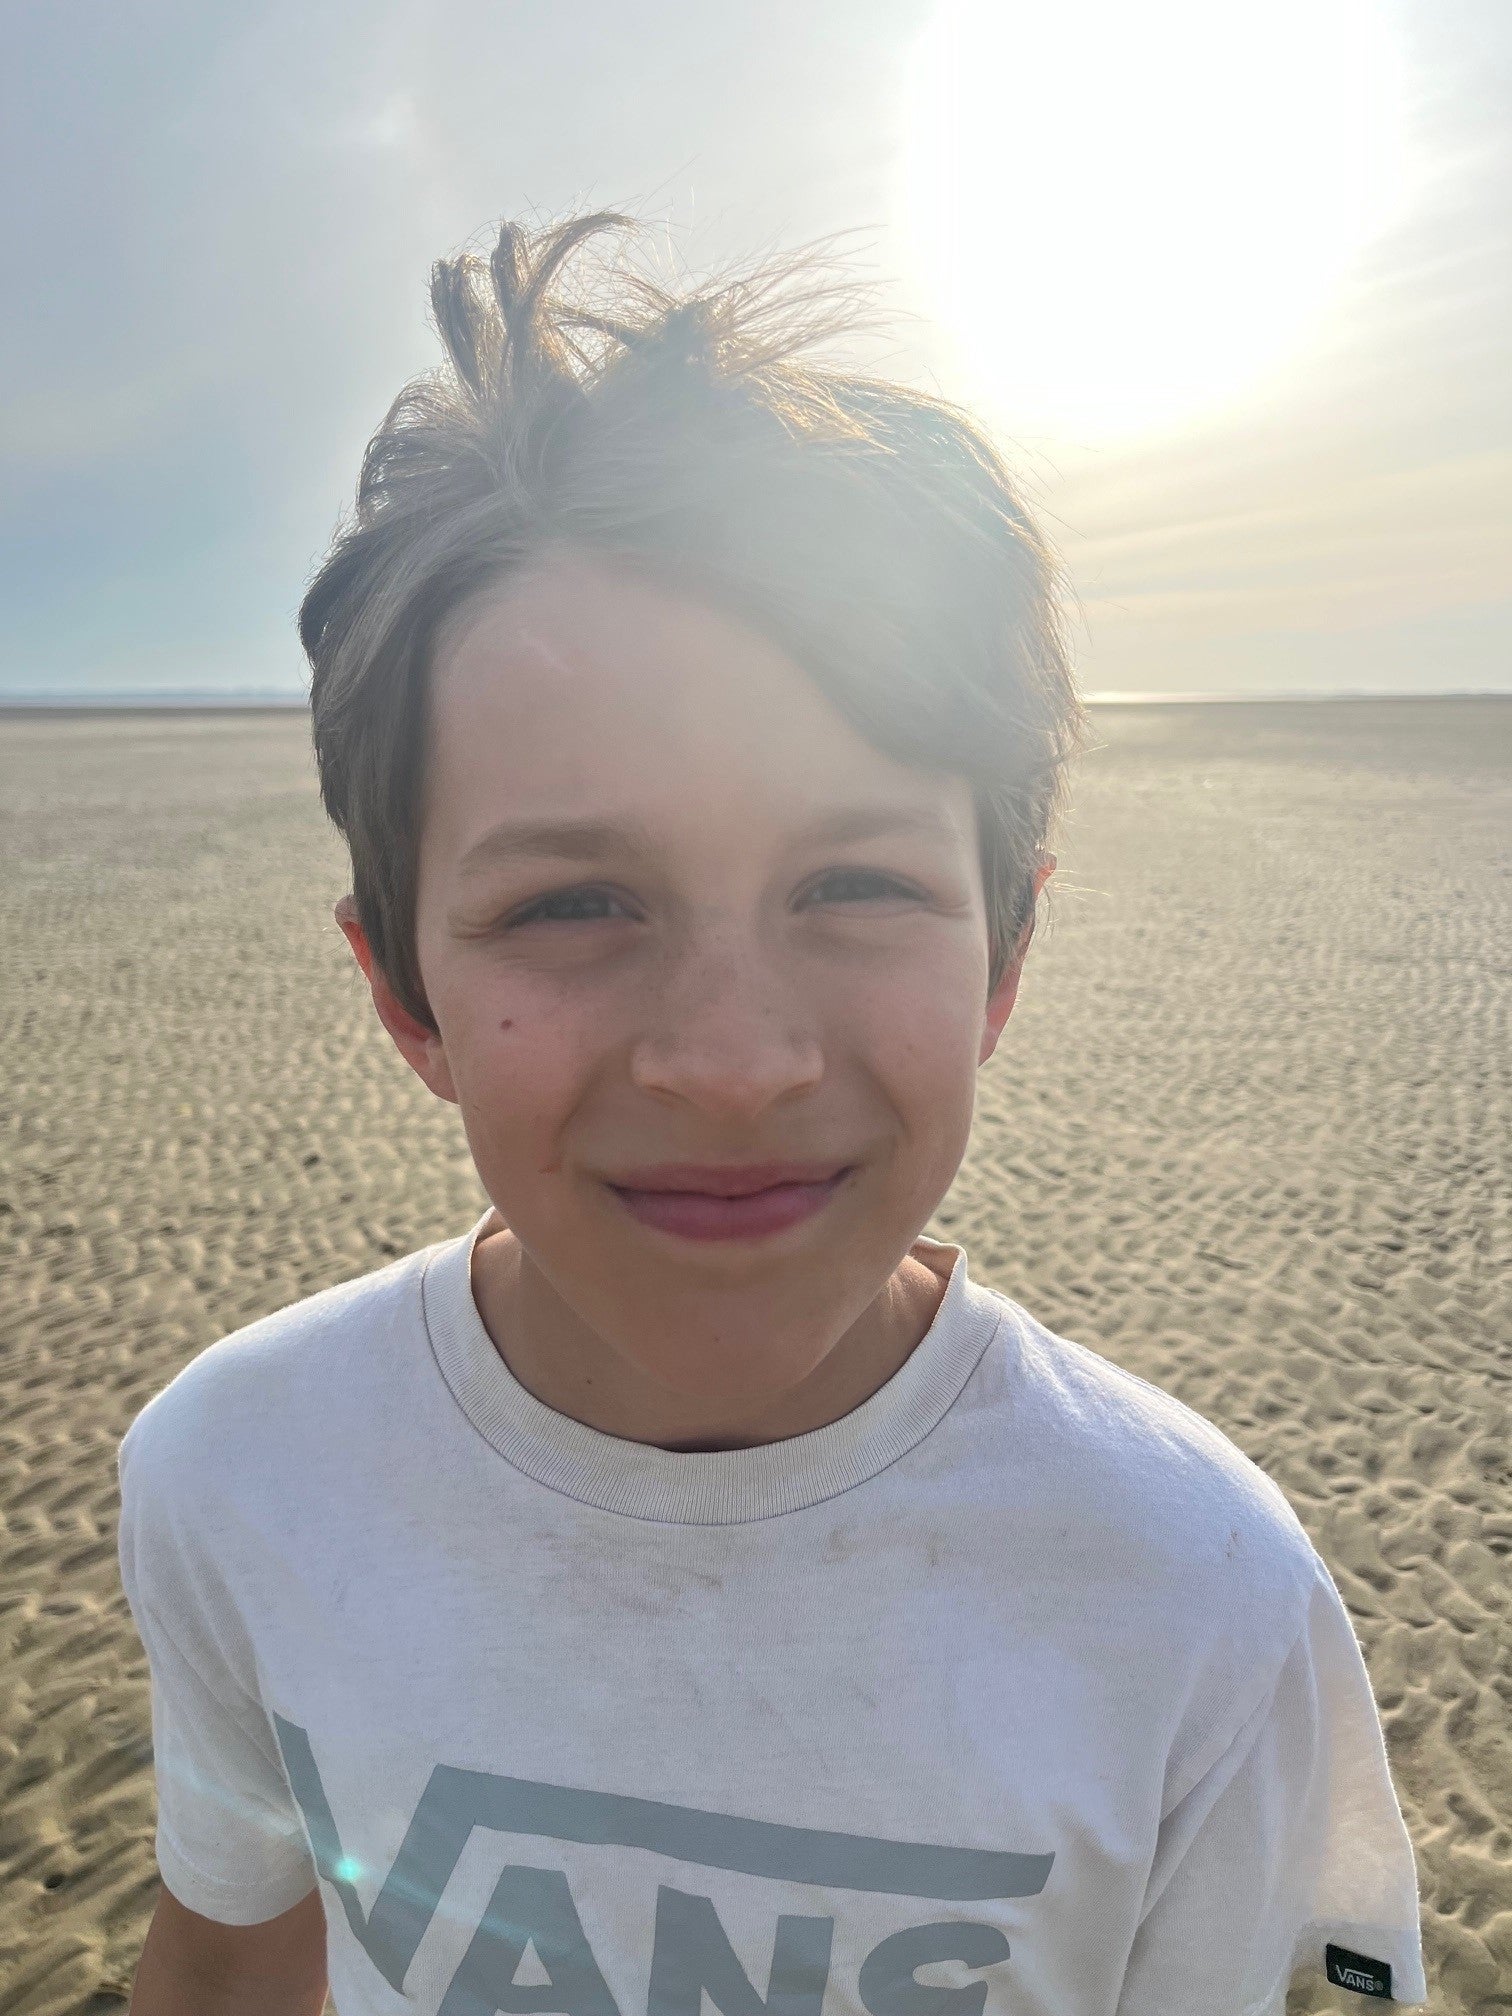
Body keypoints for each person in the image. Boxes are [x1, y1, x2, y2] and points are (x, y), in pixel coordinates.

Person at [116, 212, 1425, 2014]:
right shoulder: (239, 1472)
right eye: (576, 903)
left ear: (1004, 961)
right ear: (406, 996)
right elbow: (234, 1943)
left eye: (857, 886)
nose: (733, 1064)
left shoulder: (1199, 1595)